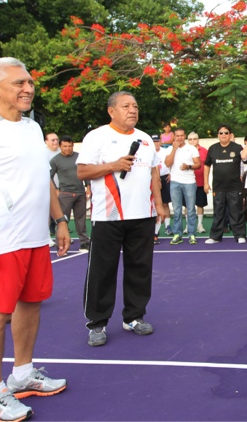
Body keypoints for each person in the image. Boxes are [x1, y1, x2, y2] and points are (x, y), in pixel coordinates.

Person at [0, 57, 69, 422]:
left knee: (31, 303)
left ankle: (23, 374)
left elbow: (42, 178)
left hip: (34, 236)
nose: (27, 88)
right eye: (18, 83)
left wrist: (59, 220)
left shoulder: (31, 127)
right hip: (0, 240)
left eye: (29, 82)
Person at [77, 91, 166, 347]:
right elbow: (82, 170)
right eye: (126, 106)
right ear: (111, 111)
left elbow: (154, 175)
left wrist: (159, 204)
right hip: (108, 217)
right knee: (102, 272)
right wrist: (113, 166)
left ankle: (134, 317)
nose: (132, 110)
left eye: (135, 106)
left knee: (140, 269)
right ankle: (97, 323)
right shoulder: (97, 137)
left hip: (143, 216)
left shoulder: (145, 138)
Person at [203, 125, 246, 244]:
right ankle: (215, 237)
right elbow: (206, 165)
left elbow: (245, 160)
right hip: (218, 187)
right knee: (218, 212)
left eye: (226, 133)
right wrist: (206, 183)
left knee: (236, 211)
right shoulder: (212, 148)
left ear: (230, 135)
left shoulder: (237, 148)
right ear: (218, 135)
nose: (223, 135)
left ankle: (240, 235)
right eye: (221, 133)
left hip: (235, 186)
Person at [50, 135, 91, 251]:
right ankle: (61, 244)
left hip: (80, 193)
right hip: (65, 194)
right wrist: (56, 189)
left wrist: (88, 186)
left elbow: (85, 172)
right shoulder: (55, 160)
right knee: (63, 219)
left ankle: (84, 242)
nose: (67, 148)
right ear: (60, 146)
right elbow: (49, 176)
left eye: (69, 146)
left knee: (81, 219)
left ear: (73, 146)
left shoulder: (79, 157)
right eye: (64, 146)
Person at [165, 128, 201, 245]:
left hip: (189, 182)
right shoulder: (170, 149)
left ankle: (191, 234)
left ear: (184, 136)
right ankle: (177, 234)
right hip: (175, 182)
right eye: (177, 136)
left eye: (181, 135)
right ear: (174, 136)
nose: (179, 138)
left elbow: (198, 164)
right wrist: (174, 149)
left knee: (190, 210)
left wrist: (188, 167)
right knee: (176, 210)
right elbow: (167, 163)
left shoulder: (191, 148)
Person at [152, 134, 172, 243]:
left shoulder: (165, 152)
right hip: (152, 180)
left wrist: (171, 173)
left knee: (164, 203)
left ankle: (167, 227)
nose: (155, 143)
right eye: (153, 141)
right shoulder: (148, 152)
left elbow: (171, 162)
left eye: (157, 141)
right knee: (154, 205)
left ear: (160, 142)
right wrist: (156, 180)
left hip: (165, 178)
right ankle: (155, 232)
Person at [187, 132, 208, 233]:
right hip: (186, 182)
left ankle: (200, 225)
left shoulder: (204, 151)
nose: (192, 141)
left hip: (200, 182)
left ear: (198, 140)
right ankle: (188, 225)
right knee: (187, 205)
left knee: (200, 205)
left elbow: (208, 167)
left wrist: (206, 182)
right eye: (190, 139)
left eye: (194, 139)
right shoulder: (183, 150)